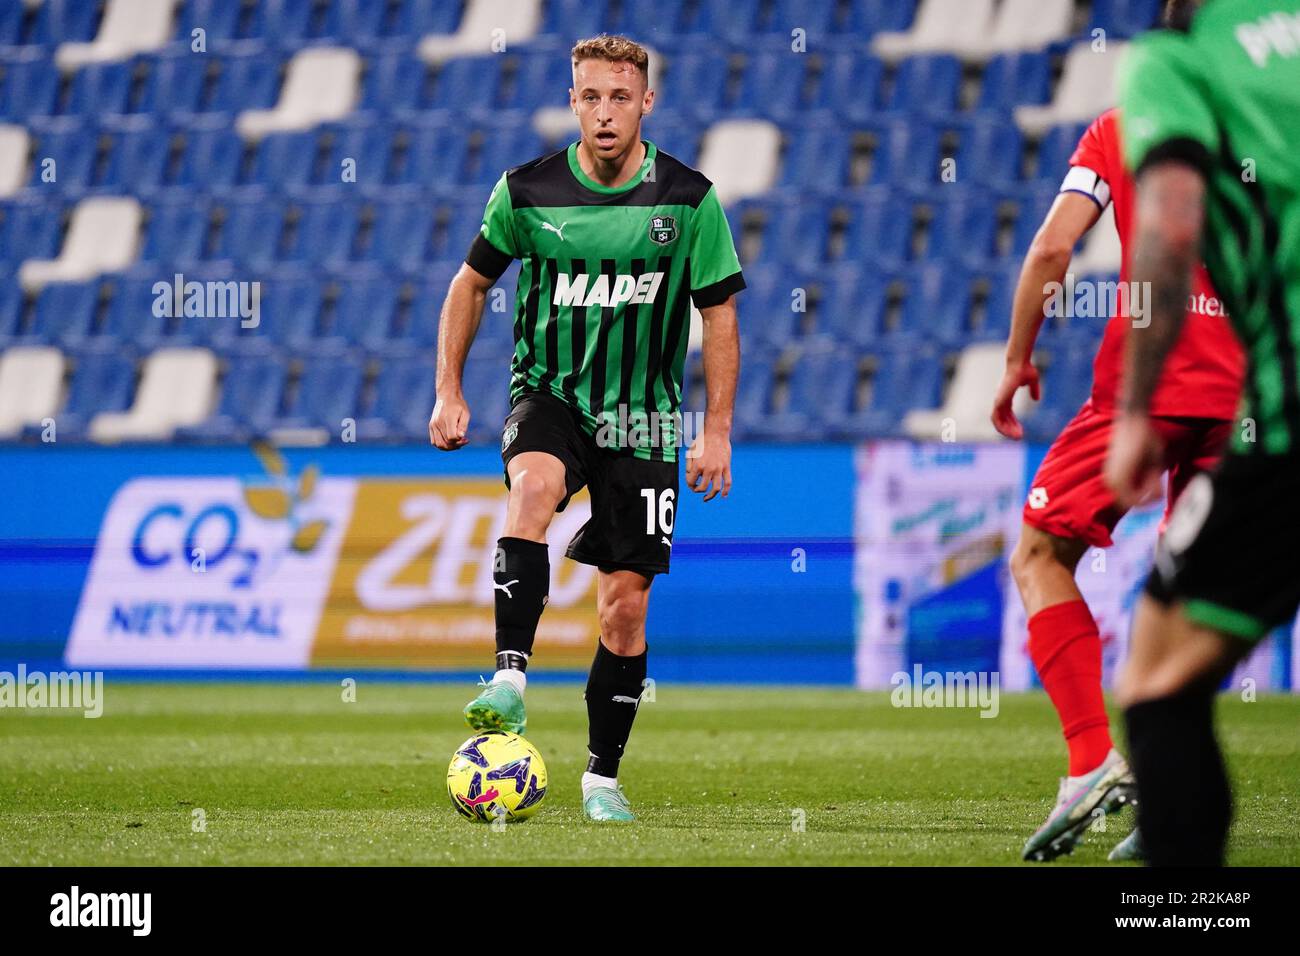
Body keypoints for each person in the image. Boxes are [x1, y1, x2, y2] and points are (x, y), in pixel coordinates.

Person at [429, 35, 745, 823]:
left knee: (624, 608)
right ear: (572, 102)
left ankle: (601, 779)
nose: (606, 113)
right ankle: (509, 677)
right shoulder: (526, 192)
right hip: (552, 395)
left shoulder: (689, 199)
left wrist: (718, 430)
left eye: (621, 97)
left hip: (643, 420)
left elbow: (720, 314)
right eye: (591, 97)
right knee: (532, 487)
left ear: (647, 103)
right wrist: (448, 390)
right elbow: (469, 285)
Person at [991, 0, 1243, 861]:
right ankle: (1170, 804)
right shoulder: (1273, 125)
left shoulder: (1125, 125)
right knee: (1191, 598)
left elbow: (1053, 251)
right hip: (1248, 393)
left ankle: (1091, 761)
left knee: (1038, 550)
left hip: (1152, 377)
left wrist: (1018, 358)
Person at [1104, 0, 1300, 866]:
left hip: (1291, 420)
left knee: (1158, 680)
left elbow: (1170, 223)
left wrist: (1136, 413)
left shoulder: (1175, 60)